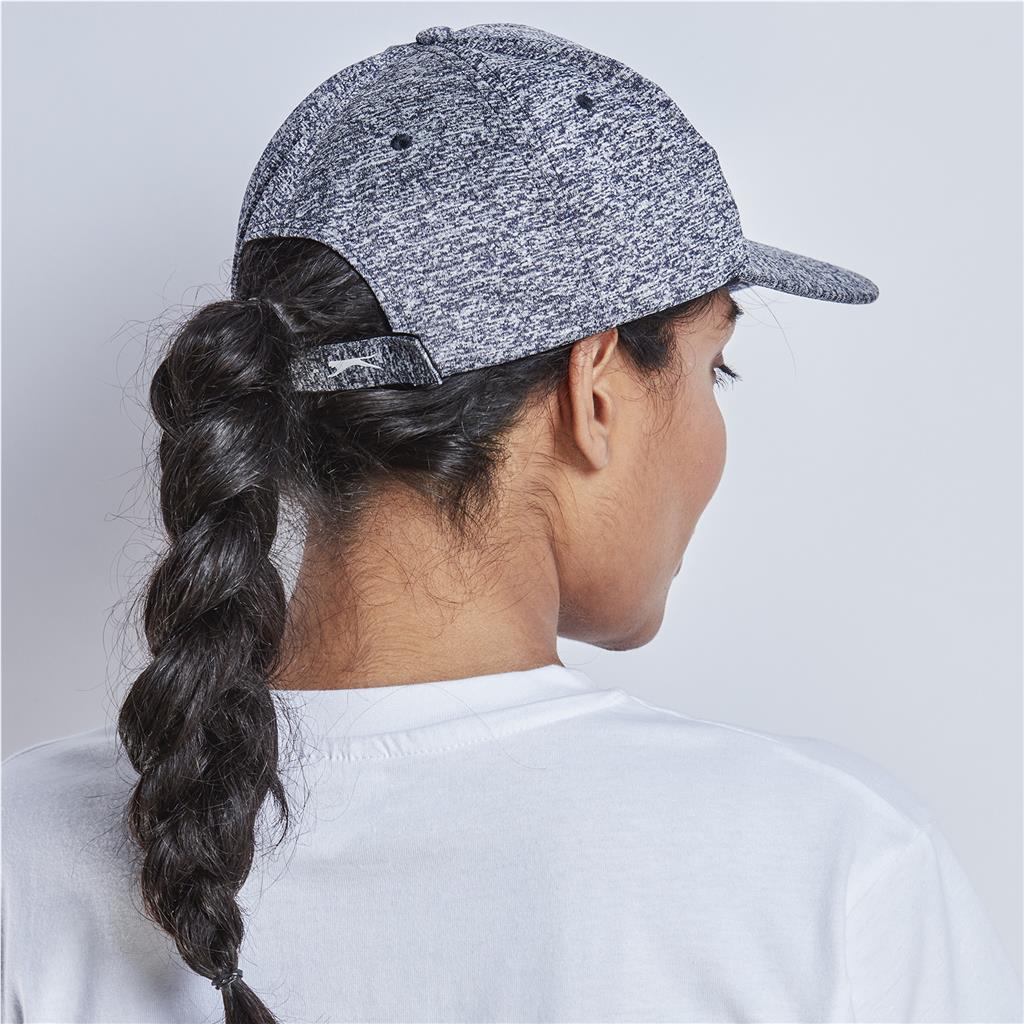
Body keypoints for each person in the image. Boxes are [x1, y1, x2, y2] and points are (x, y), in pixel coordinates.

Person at [2, 20, 1020, 1024]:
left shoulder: (21, 852)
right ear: (595, 389)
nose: (714, 431)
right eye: (717, 369)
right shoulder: (832, 872)